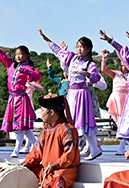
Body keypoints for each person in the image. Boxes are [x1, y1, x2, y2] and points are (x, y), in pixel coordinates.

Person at [41, 30, 106, 160]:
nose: (79, 49)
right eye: (78, 46)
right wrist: (47, 40)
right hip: (72, 93)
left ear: (89, 49)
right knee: (72, 120)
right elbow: (58, 51)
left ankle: (90, 149)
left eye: (82, 47)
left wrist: (87, 74)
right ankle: (91, 149)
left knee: (83, 121)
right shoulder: (72, 58)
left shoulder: (90, 64)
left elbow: (96, 77)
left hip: (82, 94)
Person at [23, 94, 80, 188]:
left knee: (58, 178)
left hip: (64, 169)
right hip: (47, 170)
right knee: (27, 172)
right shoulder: (46, 129)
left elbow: (69, 155)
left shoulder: (67, 129)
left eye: (42, 110)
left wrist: (54, 165)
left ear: (51, 112)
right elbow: (36, 152)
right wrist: (25, 164)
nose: (41, 113)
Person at [0, 34, 42, 158]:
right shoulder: (11, 64)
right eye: (17, 54)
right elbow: (1, 56)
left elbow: (37, 75)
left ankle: (16, 151)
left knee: (22, 127)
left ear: (27, 55)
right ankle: (38, 146)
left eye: (21, 54)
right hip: (12, 98)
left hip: (21, 98)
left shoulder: (28, 67)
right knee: (24, 128)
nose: (18, 56)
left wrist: (25, 70)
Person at [101, 51, 129, 128]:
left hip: (125, 98)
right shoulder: (116, 73)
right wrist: (104, 59)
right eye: (122, 65)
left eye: (125, 65)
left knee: (125, 116)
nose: (124, 67)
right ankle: (119, 129)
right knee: (117, 115)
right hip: (116, 97)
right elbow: (104, 70)